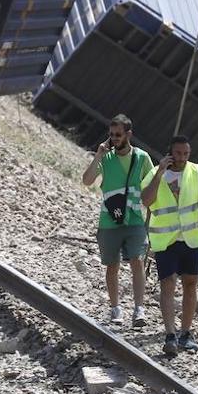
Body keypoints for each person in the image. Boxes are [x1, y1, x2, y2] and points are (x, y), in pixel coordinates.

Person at [141, 134, 198, 355]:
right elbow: (146, 201)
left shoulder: (196, 172)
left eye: (186, 153)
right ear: (169, 153)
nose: (182, 157)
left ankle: (185, 333)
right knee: (167, 285)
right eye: (178, 153)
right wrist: (159, 174)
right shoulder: (155, 174)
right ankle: (170, 335)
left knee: (191, 284)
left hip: (190, 238)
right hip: (165, 240)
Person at [81, 115, 154, 327]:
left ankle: (139, 309)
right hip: (109, 222)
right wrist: (98, 156)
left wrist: (151, 219)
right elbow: (87, 181)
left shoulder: (142, 158)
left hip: (134, 221)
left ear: (128, 135)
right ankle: (115, 309)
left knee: (137, 262)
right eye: (111, 135)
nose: (114, 139)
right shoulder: (106, 157)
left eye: (118, 135)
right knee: (111, 266)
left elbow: (152, 187)